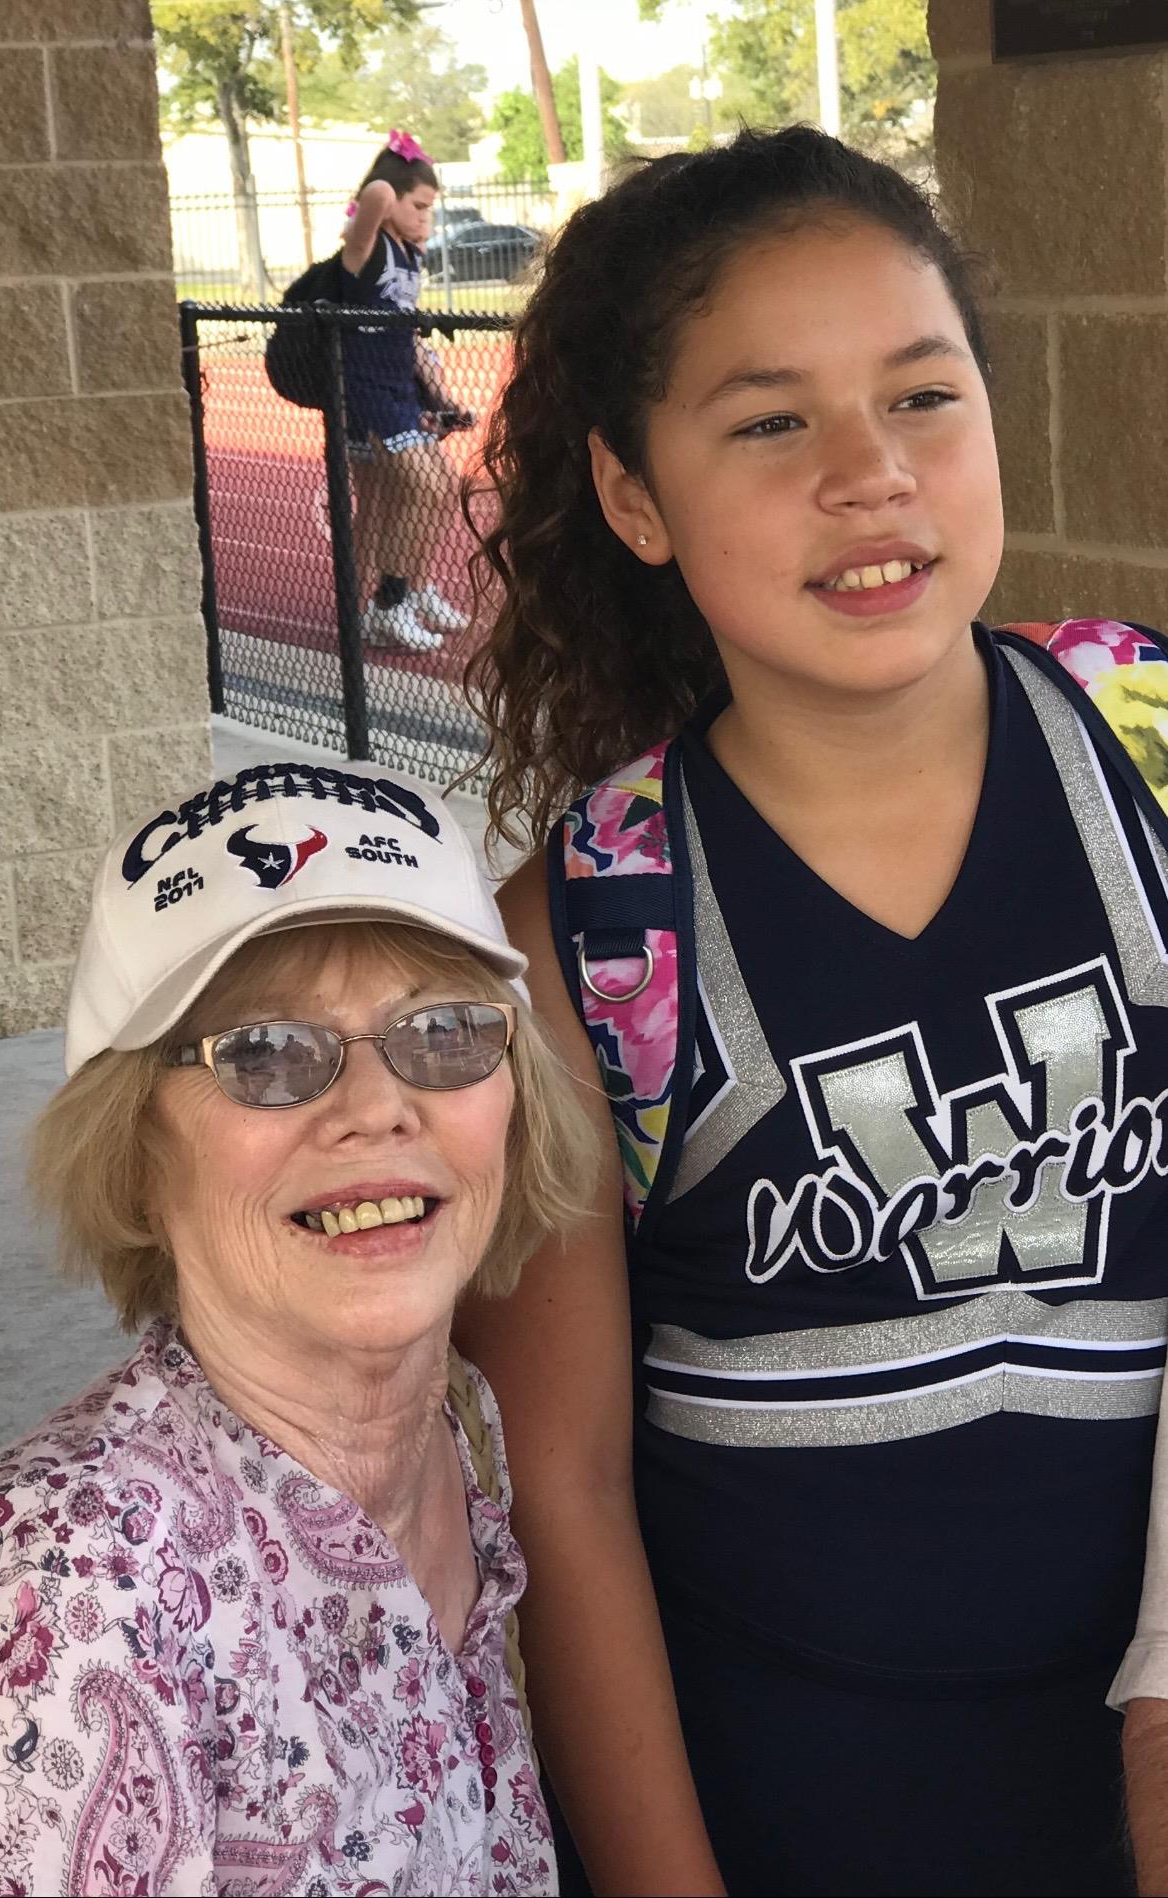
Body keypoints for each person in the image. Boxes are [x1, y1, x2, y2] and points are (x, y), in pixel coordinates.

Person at [455, 125, 1168, 1896]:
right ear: (634, 495)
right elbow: (566, 1487)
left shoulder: (1144, 760)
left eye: (923, 395)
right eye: (770, 422)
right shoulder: (590, 928)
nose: (870, 473)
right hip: (797, 1809)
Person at [0, 759, 596, 1896]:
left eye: (445, 1029)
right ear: (135, 1145)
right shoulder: (71, 1586)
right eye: (265, 1052)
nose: (376, 1106)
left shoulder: (458, 1429)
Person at [340, 129, 474, 654]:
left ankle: (409, 592)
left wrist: (441, 398)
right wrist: (394, 168)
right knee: (404, 493)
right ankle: (384, 605)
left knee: (434, 487)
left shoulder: (411, 257)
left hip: (401, 390)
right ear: (391, 197)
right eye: (419, 206)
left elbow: (412, 337)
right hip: (364, 390)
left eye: (431, 209)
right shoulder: (365, 248)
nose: (427, 219)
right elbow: (370, 204)